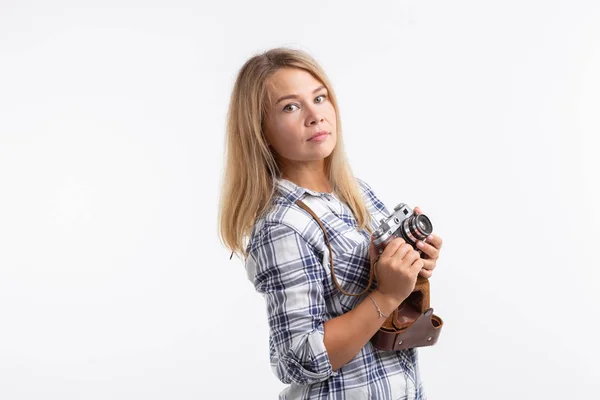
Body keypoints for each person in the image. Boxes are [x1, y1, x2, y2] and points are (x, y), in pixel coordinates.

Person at [218, 47, 443, 400]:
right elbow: (296, 358)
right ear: (259, 130)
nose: (315, 115)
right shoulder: (282, 225)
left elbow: (380, 286)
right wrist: (386, 294)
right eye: (290, 107)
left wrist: (415, 266)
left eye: (319, 98)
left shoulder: (354, 192)